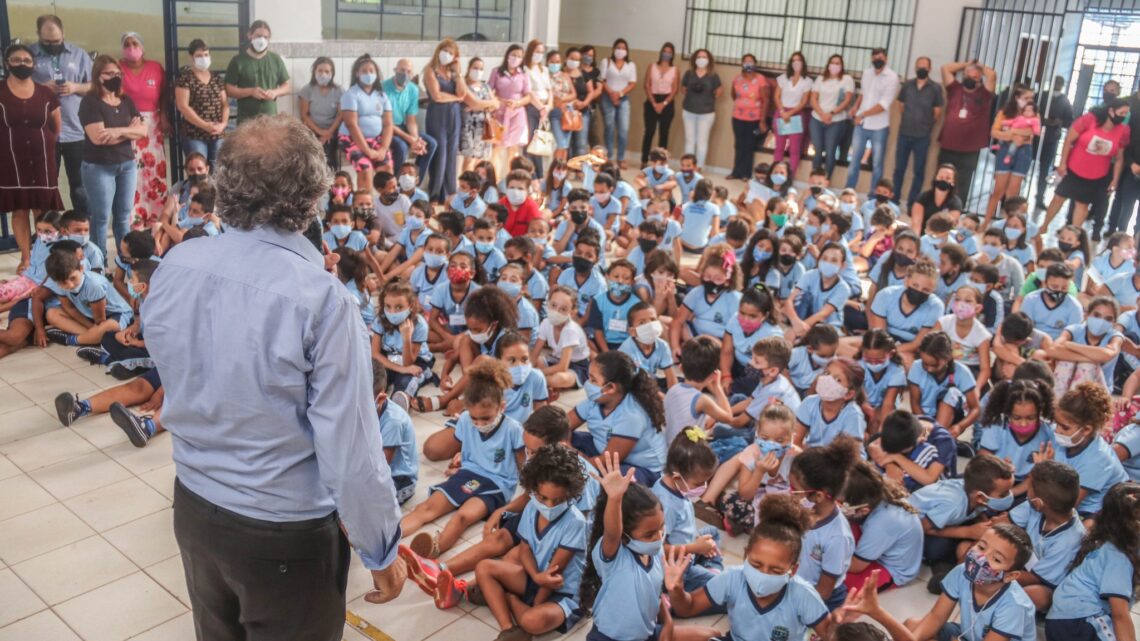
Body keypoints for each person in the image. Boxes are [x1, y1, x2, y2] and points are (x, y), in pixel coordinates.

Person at [143, 116, 407, 639]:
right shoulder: (322, 300)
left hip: (195, 505)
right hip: (282, 534)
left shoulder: (178, 263)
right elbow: (351, 451)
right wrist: (382, 549)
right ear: (312, 198)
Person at [664, 494, 834, 639]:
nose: (763, 574)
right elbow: (688, 608)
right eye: (756, 564)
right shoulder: (732, 579)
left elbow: (830, 635)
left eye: (775, 570)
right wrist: (677, 590)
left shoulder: (803, 595)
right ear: (745, 556)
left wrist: (840, 626)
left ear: (793, 569)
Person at [1045, 482, 1140, 641]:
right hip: (1081, 619)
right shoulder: (1118, 555)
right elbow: (1120, 615)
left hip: (1064, 619)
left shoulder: (1111, 541)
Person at [0, 43, 63, 275]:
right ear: (7, 63)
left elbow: (56, 126)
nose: (22, 64)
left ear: (33, 64)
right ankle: (26, 258)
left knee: (42, 208)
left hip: (41, 157)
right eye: (16, 60)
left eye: (27, 60)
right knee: (19, 208)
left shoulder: (45, 92)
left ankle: (45, 255)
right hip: (10, 158)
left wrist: (45, 143)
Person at [79, 54, 146, 265]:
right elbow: (98, 138)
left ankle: (124, 260)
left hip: (126, 164)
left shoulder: (126, 101)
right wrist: (129, 131)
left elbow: (143, 131)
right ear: (98, 76)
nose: (115, 77)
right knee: (101, 218)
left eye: (117, 73)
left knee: (123, 216)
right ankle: (99, 264)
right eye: (109, 73)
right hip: (99, 167)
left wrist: (117, 130)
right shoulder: (90, 102)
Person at [30, 14, 91, 214]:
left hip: (75, 131)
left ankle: (83, 229)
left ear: (63, 34)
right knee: (47, 185)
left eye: (57, 41)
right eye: (47, 41)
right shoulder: (29, 55)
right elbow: (15, 88)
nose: (53, 44)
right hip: (44, 132)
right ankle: (50, 232)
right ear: (38, 35)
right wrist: (40, 88)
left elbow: (94, 86)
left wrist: (75, 87)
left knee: (81, 187)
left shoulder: (79, 54)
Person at [1042, 97, 1131, 232]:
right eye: (1122, 113)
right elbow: (1068, 140)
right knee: (1059, 198)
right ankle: (1044, 226)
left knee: (1082, 205)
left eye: (1126, 114)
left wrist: (1115, 179)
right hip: (1074, 168)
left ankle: (1075, 235)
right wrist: (1062, 163)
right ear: (1111, 111)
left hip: (1097, 175)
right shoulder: (1089, 119)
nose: (1124, 116)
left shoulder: (1123, 130)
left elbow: (1119, 158)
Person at [118, 31, 166, 228]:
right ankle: (135, 220)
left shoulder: (155, 68)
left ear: (142, 46)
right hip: (128, 125)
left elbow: (164, 94)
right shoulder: (118, 68)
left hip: (153, 125)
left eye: (135, 44)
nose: (132, 48)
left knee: (154, 171)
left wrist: (163, 115)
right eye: (127, 44)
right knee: (133, 173)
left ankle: (156, 218)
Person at [936, 60, 997, 207]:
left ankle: (956, 210)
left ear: (980, 79)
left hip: (970, 148)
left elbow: (993, 75)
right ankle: (938, 207)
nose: (971, 79)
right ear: (963, 76)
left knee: (963, 183)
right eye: (968, 76)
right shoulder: (955, 89)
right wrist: (967, 64)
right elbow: (945, 67)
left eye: (976, 78)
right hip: (949, 144)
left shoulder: (985, 94)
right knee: (942, 179)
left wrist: (980, 67)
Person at [845, 48, 899, 193]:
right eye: (874, 57)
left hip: (879, 126)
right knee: (854, 159)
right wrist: (855, 107)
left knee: (877, 164)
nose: (877, 60)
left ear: (886, 59)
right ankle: (849, 191)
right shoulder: (867, 73)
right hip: (861, 124)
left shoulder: (892, 77)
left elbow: (883, 105)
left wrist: (862, 115)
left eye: (880, 57)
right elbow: (864, 93)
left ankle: (874, 196)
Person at [983, 87, 1039, 227]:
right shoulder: (1004, 112)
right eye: (1026, 98)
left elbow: (1031, 132)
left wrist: (1011, 132)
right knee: (998, 190)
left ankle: (1009, 224)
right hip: (1005, 149)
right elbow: (994, 132)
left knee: (1013, 192)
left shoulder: (1034, 114)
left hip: (1023, 151)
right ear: (1017, 98)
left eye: (1031, 98)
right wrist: (1013, 135)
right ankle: (986, 222)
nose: (1029, 101)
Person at [892, 56, 943, 206]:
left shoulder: (935, 88)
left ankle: (912, 203)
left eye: (924, 67)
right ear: (915, 68)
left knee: (919, 172)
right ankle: (894, 200)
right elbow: (901, 106)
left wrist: (926, 124)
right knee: (899, 169)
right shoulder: (907, 85)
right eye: (919, 66)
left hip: (922, 136)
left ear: (929, 69)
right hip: (904, 133)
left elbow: (937, 111)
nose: (921, 69)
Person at [338, 54, 393, 193]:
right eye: (364, 71)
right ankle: (364, 207)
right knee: (366, 168)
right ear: (357, 74)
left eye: (371, 71)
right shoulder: (351, 94)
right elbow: (352, 125)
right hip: (351, 138)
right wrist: (367, 151)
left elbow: (388, 125)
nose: (368, 74)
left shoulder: (382, 95)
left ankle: (386, 205)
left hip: (375, 140)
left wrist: (382, 149)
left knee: (386, 169)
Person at [424, 40, 465, 203]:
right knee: (440, 155)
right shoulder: (430, 70)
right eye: (444, 50)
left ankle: (449, 193)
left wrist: (458, 73)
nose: (446, 54)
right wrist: (455, 98)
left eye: (450, 52)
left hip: (454, 115)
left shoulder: (452, 73)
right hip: (437, 116)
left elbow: (462, 92)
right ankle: (434, 194)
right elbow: (436, 96)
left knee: (451, 155)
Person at [223, 20, 289, 124]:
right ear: (250, 35)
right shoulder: (238, 61)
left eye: (265, 37)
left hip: (270, 120)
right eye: (258, 36)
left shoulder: (275, 59)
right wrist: (250, 92)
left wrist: (275, 92)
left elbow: (287, 86)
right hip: (246, 122)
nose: (261, 40)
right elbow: (229, 89)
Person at [175, 39, 227, 168]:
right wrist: (204, 125)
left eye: (206, 55)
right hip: (194, 135)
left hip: (217, 134)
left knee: (217, 172)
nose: (203, 58)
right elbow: (183, 106)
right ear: (191, 57)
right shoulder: (185, 78)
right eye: (198, 56)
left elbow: (225, 104)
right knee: (198, 172)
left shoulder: (216, 78)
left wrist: (223, 125)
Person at [384, 58, 434, 185]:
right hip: (386, 128)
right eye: (402, 70)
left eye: (409, 71)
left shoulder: (413, 89)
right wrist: (410, 139)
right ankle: (395, 186)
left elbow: (411, 120)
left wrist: (416, 140)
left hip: (402, 126)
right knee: (401, 146)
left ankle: (413, 184)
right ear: (395, 70)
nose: (405, 74)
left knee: (431, 143)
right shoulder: (383, 87)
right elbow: (386, 122)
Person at [809, 53, 856, 180]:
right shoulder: (820, 79)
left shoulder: (846, 79)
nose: (835, 65)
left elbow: (847, 100)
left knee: (830, 153)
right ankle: (814, 180)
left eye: (838, 63)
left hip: (836, 121)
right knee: (818, 151)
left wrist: (831, 113)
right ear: (828, 65)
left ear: (842, 66)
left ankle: (825, 180)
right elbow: (813, 99)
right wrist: (822, 114)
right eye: (833, 63)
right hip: (817, 119)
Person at [489, 44, 531, 179]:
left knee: (513, 149)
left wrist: (517, 103)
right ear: (507, 55)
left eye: (519, 56)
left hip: (517, 114)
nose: (515, 58)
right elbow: (489, 91)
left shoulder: (523, 74)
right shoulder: (496, 72)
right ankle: (493, 179)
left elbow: (528, 95)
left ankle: (511, 178)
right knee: (497, 148)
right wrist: (499, 101)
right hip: (500, 114)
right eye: (513, 55)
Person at [727, 53, 769, 181]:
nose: (748, 64)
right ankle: (736, 172)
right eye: (746, 61)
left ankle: (746, 174)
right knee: (738, 144)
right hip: (738, 117)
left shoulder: (761, 79)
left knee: (749, 145)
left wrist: (762, 120)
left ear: (755, 64)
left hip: (754, 119)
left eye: (751, 61)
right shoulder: (737, 79)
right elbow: (734, 95)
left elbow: (766, 100)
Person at [1035, 75, 1075, 211]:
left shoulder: (1065, 100)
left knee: (1044, 170)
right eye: (1055, 82)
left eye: (1060, 82)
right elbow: (1031, 111)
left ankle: (1039, 197)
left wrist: (1059, 122)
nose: (1057, 84)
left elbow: (1069, 121)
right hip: (1034, 136)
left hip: (1051, 139)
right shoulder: (1040, 96)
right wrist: (1041, 121)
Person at [298, 57, 344, 171]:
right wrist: (321, 132)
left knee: (330, 151)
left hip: (333, 129)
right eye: (320, 71)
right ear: (314, 72)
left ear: (332, 74)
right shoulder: (307, 90)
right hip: (313, 129)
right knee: (312, 152)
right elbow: (304, 115)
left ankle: (333, 182)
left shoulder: (339, 90)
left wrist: (329, 132)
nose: (323, 74)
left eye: (327, 71)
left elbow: (340, 115)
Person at [679, 48, 721, 170]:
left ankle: (699, 167)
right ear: (694, 59)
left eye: (704, 57)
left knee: (702, 141)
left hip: (706, 113)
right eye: (699, 57)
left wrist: (709, 99)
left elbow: (719, 90)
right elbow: (683, 88)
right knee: (689, 140)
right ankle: (687, 166)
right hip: (688, 111)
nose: (701, 59)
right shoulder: (689, 73)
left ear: (709, 60)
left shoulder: (713, 75)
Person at [599, 38, 637, 169]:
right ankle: (609, 157)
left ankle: (621, 157)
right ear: (613, 49)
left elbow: (632, 83)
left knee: (623, 129)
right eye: (618, 48)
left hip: (623, 99)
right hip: (607, 97)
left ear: (627, 51)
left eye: (623, 48)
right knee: (609, 127)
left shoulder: (631, 65)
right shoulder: (606, 61)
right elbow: (602, 80)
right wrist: (611, 94)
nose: (620, 50)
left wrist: (620, 94)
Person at [641, 42, 679, 167]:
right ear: (661, 52)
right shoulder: (651, 66)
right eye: (665, 51)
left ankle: (661, 162)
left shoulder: (675, 70)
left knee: (664, 133)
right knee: (649, 131)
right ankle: (644, 160)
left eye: (669, 52)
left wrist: (664, 103)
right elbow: (647, 85)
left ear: (672, 55)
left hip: (667, 102)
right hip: (652, 100)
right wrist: (653, 102)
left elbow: (675, 89)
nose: (666, 54)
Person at [774, 51, 812, 175]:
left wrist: (790, 114)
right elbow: (776, 96)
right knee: (779, 147)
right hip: (782, 112)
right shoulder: (783, 77)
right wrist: (782, 111)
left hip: (796, 115)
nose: (796, 63)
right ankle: (775, 174)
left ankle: (789, 176)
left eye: (799, 60)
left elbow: (804, 101)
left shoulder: (807, 81)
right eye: (794, 60)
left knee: (794, 149)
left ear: (803, 63)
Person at [458, 57, 499, 170]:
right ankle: (466, 183)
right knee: (469, 158)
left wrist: (480, 105)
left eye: (481, 69)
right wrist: (483, 105)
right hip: (468, 126)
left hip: (484, 126)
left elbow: (496, 104)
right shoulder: (464, 85)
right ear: (469, 68)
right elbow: (474, 103)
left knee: (480, 160)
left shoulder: (485, 86)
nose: (478, 71)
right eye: (475, 68)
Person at [522, 39, 552, 179]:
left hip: (544, 109)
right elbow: (529, 91)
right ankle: (530, 174)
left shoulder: (544, 69)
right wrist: (540, 107)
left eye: (541, 52)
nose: (539, 54)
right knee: (530, 143)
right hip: (532, 107)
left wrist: (548, 106)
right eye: (536, 51)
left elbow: (549, 90)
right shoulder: (525, 69)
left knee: (540, 143)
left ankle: (540, 175)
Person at [910, 163, 963, 234]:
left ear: (953, 182)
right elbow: (916, 224)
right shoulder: (923, 197)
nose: (943, 180)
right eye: (941, 177)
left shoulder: (955, 203)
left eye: (948, 178)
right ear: (936, 178)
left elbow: (948, 226)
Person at [567, 46, 600, 158]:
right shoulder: (563, 74)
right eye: (572, 58)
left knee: (581, 143)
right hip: (566, 111)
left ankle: (579, 171)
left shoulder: (584, 74)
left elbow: (591, 91)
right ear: (566, 58)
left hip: (583, 112)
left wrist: (584, 103)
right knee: (567, 143)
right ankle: (565, 169)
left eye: (577, 59)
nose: (574, 62)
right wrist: (572, 102)